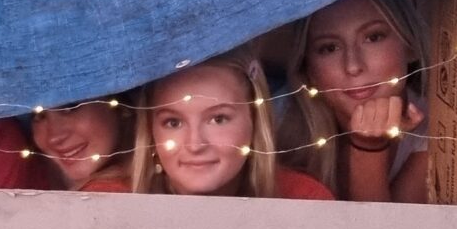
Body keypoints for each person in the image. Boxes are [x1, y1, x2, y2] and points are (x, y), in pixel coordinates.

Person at [283, 0, 429, 202]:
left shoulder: (440, 132)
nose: (353, 66)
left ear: (409, 46)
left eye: (373, 37)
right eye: (329, 48)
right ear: (307, 68)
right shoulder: (273, 121)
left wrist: (369, 148)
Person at [133, 54, 332, 199]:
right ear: (151, 131)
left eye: (218, 119)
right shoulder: (107, 203)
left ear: (255, 119)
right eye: (173, 123)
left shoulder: (302, 200)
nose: (195, 145)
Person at [31, 99, 134, 191]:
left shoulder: (100, 198)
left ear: (121, 104)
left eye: (70, 107)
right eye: (39, 116)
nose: (54, 138)